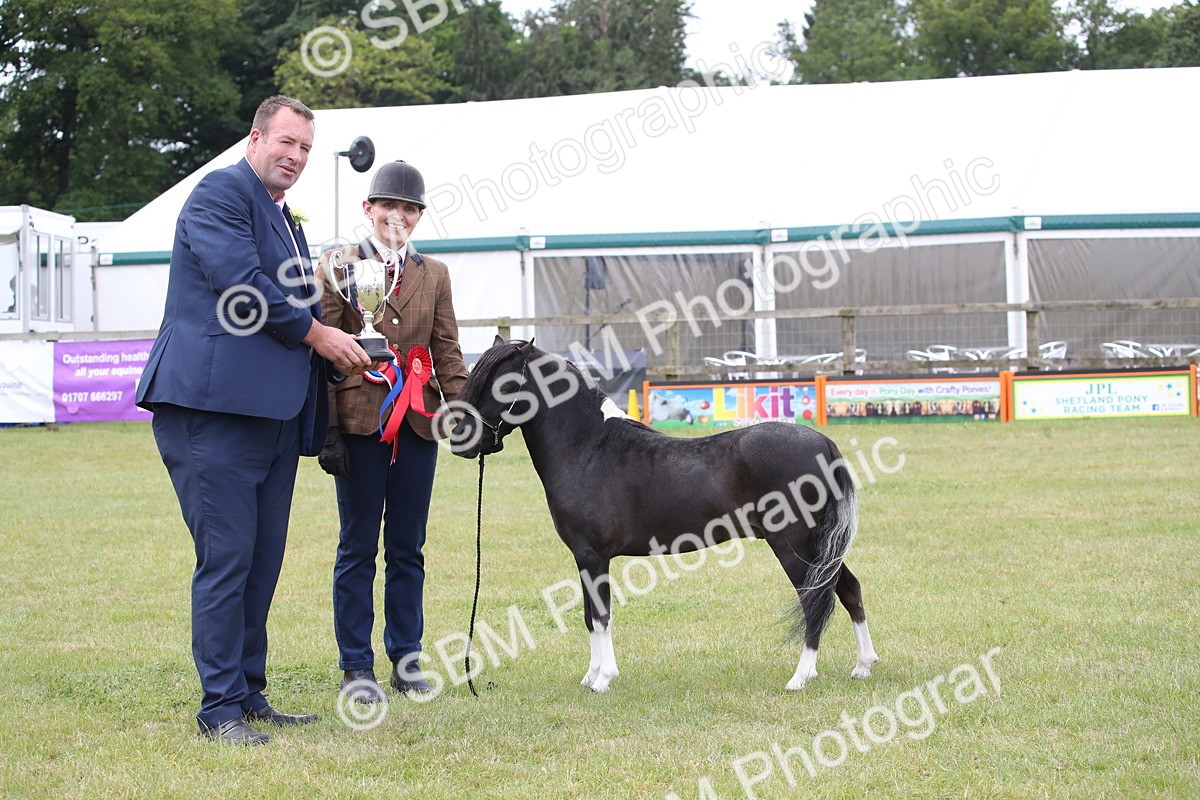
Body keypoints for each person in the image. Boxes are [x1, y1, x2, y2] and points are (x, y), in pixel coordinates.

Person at [136, 95, 373, 745]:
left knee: (261, 560)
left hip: (271, 415)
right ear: (256, 137)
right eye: (286, 142)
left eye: (304, 148)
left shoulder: (284, 220)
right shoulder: (220, 193)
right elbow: (241, 286)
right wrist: (319, 337)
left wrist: (345, 344)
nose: (294, 157)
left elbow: (298, 301)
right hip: (211, 411)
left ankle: (248, 692)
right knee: (228, 558)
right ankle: (218, 710)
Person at [315, 160, 468, 702]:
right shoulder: (337, 265)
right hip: (358, 421)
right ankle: (357, 665)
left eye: (409, 209)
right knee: (357, 545)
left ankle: (407, 659)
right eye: (389, 207)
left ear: (419, 217)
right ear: (369, 210)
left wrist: (464, 408)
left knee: (408, 547)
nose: (398, 217)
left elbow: (446, 348)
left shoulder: (436, 275)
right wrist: (328, 429)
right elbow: (324, 348)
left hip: (419, 424)